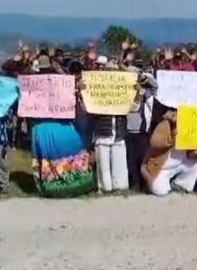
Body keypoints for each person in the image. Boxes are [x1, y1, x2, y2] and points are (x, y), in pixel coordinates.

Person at [30, 55, 93, 197]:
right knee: (67, 153)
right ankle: (74, 182)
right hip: (61, 125)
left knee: (48, 156)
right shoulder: (59, 81)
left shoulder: (33, 83)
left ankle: (49, 183)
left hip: (43, 127)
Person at [91, 55, 129, 193]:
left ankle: (120, 187)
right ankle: (104, 187)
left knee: (119, 163)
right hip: (103, 130)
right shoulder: (97, 88)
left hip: (118, 131)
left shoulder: (124, 89)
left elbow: (134, 104)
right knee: (103, 163)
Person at [142, 110, 197, 196]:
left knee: (196, 163)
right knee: (160, 190)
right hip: (161, 167)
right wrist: (171, 139)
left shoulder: (191, 123)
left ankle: (180, 185)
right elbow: (154, 142)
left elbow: (193, 148)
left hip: (180, 163)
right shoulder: (165, 123)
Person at [125, 71, 157, 191]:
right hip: (128, 131)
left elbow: (155, 87)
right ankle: (134, 184)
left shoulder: (144, 93)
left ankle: (144, 183)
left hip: (141, 131)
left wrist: (145, 78)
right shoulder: (125, 93)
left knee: (142, 158)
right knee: (130, 160)